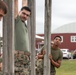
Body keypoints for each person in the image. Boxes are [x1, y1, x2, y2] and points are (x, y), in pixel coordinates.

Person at [14, 6, 31, 75]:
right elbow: (15, 3)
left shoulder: (24, 25)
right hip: (18, 56)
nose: (25, 16)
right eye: (23, 13)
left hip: (25, 57)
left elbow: (24, 3)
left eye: (27, 15)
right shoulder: (17, 20)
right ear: (19, 12)